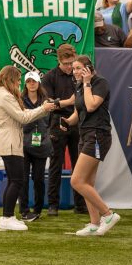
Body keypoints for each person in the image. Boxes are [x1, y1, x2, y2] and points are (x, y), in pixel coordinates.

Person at [61, 55, 121, 236]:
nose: (75, 71)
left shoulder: (99, 83)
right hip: (85, 134)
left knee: (77, 180)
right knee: (87, 182)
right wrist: (65, 121)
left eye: (79, 68)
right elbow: (78, 112)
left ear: (89, 69)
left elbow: (92, 105)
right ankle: (94, 223)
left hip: (97, 135)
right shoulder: (80, 85)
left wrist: (87, 83)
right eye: (74, 68)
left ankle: (108, 215)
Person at [0, 66, 54, 231]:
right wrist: (43, 109)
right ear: (11, 79)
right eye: (19, 80)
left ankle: (8, 216)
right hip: (10, 140)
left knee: (14, 180)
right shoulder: (5, 97)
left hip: (11, 139)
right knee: (17, 180)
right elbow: (23, 117)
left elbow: (24, 113)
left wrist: (43, 109)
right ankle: (7, 217)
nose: (20, 83)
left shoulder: (6, 95)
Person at [42, 44, 88, 216]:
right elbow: (48, 104)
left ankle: (80, 204)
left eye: (72, 63)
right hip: (57, 122)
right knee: (55, 165)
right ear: (58, 60)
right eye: (66, 63)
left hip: (79, 122)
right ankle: (53, 205)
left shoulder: (80, 75)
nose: (70, 67)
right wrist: (68, 102)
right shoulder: (49, 77)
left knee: (80, 166)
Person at [19, 71, 52, 222]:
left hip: (42, 145)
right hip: (23, 145)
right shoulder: (18, 100)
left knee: (38, 179)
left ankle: (37, 210)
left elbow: (52, 120)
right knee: (23, 179)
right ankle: (24, 210)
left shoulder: (47, 101)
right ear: (25, 84)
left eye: (34, 81)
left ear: (39, 83)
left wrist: (49, 133)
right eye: (29, 81)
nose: (31, 84)